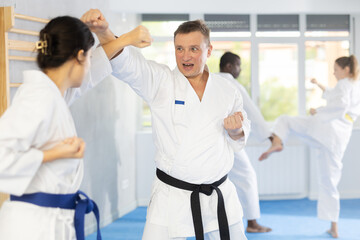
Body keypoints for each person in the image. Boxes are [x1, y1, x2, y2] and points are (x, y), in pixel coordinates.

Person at [83, 9, 250, 240]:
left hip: (218, 196)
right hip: (172, 196)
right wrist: (104, 31)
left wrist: (235, 130)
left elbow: (241, 135)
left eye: (194, 49)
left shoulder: (227, 91)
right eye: (179, 49)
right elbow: (127, 62)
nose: (185, 56)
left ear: (208, 50)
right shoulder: (161, 81)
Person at [0, 12, 140, 240]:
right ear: (80, 56)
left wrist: (123, 39)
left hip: (47, 221)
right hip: (32, 226)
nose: (89, 67)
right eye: (88, 60)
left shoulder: (55, 94)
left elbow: (90, 77)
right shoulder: (39, 97)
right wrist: (54, 153)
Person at [259, 55, 360, 238]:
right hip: (336, 137)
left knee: (285, 120)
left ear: (345, 70)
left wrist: (318, 111)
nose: (334, 72)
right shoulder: (351, 85)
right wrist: (318, 84)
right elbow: (333, 95)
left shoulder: (344, 85)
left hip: (327, 128)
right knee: (330, 180)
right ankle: (334, 227)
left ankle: (277, 142)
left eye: (336, 69)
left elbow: (340, 104)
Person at [217, 52, 272, 233]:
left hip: (208, 142)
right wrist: (269, 136)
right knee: (247, 176)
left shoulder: (211, 81)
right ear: (229, 66)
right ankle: (252, 223)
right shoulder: (232, 84)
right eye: (238, 65)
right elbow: (252, 112)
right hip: (228, 138)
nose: (240, 69)